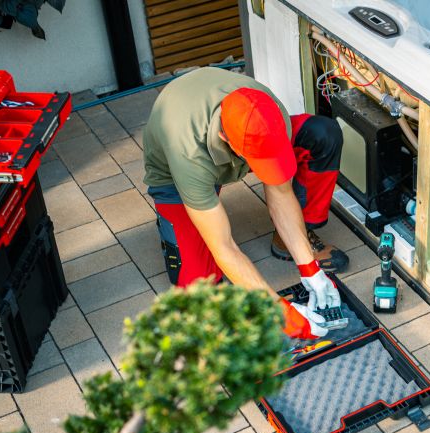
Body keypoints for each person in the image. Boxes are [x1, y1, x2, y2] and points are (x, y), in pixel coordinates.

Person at [142, 67, 349, 339]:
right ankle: (178, 225)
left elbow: (281, 193)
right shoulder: (188, 154)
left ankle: (288, 241)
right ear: (226, 140)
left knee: (322, 134)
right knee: (200, 292)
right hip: (176, 171)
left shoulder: (269, 111)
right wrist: (279, 312)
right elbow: (224, 246)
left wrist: (309, 269)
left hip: (227, 139)